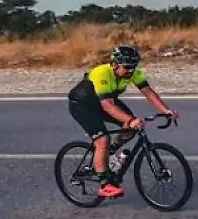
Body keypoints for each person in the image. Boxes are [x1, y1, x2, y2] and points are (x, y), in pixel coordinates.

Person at [66, 44, 178, 199]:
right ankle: (105, 185)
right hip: (83, 106)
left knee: (131, 129)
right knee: (102, 140)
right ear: (114, 64)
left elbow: (148, 92)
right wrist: (131, 119)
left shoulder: (132, 73)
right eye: (127, 67)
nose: (131, 71)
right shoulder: (101, 73)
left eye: (133, 67)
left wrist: (165, 110)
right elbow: (108, 106)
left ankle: (110, 153)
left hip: (105, 102)